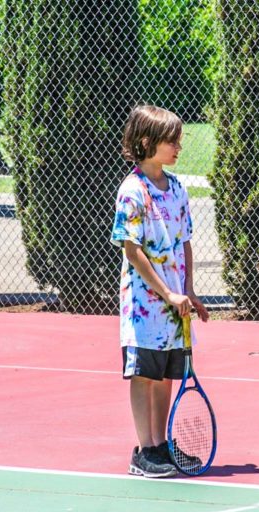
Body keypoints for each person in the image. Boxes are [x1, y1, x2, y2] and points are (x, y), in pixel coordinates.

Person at [111, 104, 209, 478]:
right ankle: (144, 449)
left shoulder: (178, 188)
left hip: (175, 307)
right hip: (144, 307)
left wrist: (188, 290)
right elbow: (131, 250)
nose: (178, 147)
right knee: (145, 374)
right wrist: (167, 294)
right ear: (148, 142)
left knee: (167, 374)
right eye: (172, 141)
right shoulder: (132, 190)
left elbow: (184, 241)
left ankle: (162, 444)